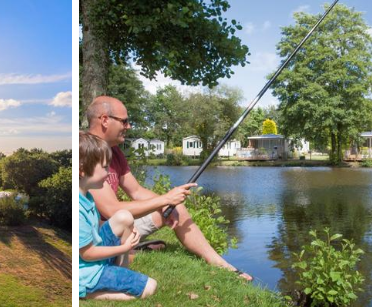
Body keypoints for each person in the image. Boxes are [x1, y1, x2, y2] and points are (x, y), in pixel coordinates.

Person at [85, 96, 252, 281]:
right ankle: (126, 251)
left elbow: (137, 191)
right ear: (105, 120)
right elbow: (111, 210)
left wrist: (167, 204)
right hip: (96, 233)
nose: (129, 126)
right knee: (150, 210)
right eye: (124, 121)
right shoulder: (86, 151)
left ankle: (220, 264)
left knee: (175, 208)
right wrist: (165, 199)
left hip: (117, 225)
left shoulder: (114, 150)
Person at [79, 131, 157, 300]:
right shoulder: (77, 207)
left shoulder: (86, 195)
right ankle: (86, 292)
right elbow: (87, 254)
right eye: (105, 167)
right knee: (149, 288)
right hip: (87, 270)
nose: (108, 174)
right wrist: (124, 248)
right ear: (82, 170)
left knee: (124, 216)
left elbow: (94, 230)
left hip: (95, 259)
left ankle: (120, 273)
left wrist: (128, 231)